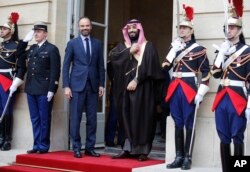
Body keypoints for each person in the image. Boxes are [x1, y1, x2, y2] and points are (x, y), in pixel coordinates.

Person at [162, 5, 210, 170]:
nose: (181, 30)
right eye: (180, 27)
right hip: (175, 88)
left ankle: (187, 157)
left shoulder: (199, 50)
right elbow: (164, 67)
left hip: (189, 89)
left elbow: (206, 73)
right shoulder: (174, 47)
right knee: (178, 123)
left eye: (184, 27)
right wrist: (173, 51)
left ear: (191, 30)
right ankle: (178, 156)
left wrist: (201, 93)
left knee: (189, 123)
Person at [109, 19, 163, 161]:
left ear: (140, 30)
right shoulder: (122, 47)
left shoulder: (148, 47)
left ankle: (143, 150)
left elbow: (152, 67)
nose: (132, 30)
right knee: (126, 118)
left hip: (143, 90)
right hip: (124, 90)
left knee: (142, 119)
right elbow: (113, 59)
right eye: (129, 28)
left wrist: (137, 80)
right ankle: (127, 148)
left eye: (135, 28)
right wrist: (128, 51)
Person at [210, 1, 250, 171]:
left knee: (237, 137)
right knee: (223, 136)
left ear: (240, 30)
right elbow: (216, 74)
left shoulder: (247, 51)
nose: (229, 30)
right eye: (227, 27)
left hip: (238, 97)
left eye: (233, 27)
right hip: (222, 97)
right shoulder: (223, 49)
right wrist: (221, 55)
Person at [11, 21, 61, 154]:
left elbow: (55, 71)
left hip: (44, 89)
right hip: (31, 88)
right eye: (35, 32)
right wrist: (24, 41)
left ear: (45, 33)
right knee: (35, 118)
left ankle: (43, 146)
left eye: (38, 31)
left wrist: (52, 89)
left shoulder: (52, 49)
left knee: (44, 118)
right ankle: (36, 145)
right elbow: (18, 55)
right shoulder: (32, 48)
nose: (36, 34)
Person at [62, 17, 105, 158]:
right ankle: (76, 148)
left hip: (92, 86)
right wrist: (66, 86)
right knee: (75, 118)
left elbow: (100, 66)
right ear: (78, 28)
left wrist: (101, 84)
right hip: (76, 86)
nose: (85, 28)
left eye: (87, 25)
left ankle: (90, 148)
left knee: (92, 119)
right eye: (82, 26)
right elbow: (66, 66)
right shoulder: (72, 43)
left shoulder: (97, 43)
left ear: (91, 27)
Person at [0, 12, 26, 151]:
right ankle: (0, 136)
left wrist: (17, 81)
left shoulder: (17, 46)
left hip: (7, 80)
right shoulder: (1, 45)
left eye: (4, 29)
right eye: (1, 29)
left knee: (6, 110)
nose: (1, 31)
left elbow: (22, 67)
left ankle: (7, 139)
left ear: (11, 30)